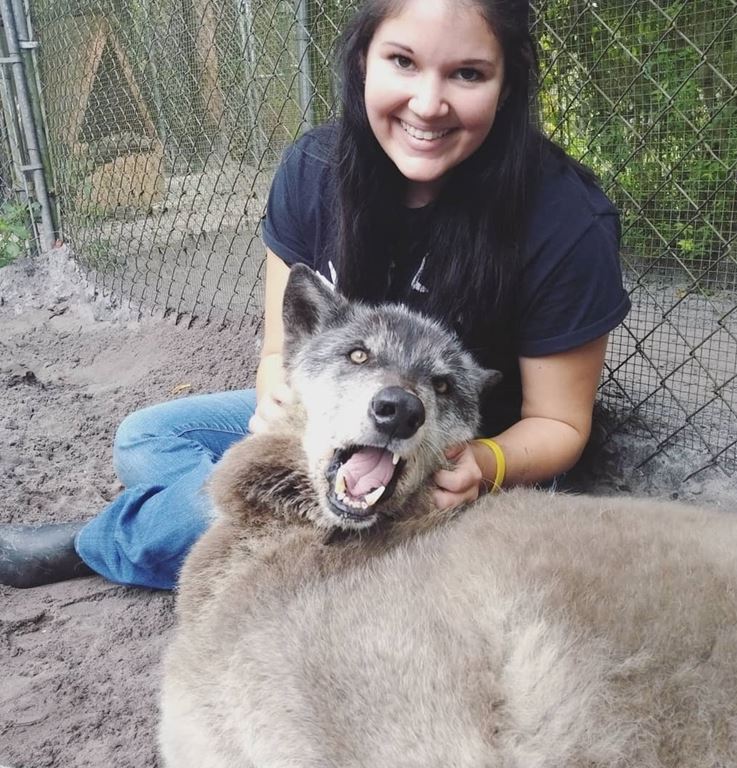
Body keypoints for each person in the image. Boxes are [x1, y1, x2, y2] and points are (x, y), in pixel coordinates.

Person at [0, 0, 630, 590]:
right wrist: (275, 395)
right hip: (339, 424)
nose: (428, 103)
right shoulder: (314, 170)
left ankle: (104, 543)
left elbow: (559, 423)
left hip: (458, 455)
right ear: (364, 60)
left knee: (207, 511)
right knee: (144, 439)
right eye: (403, 62)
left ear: (508, 84)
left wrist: (483, 466)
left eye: (468, 73)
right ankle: (305, 547)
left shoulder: (564, 220)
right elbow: (282, 350)